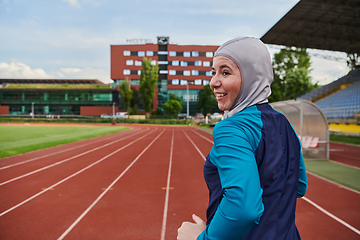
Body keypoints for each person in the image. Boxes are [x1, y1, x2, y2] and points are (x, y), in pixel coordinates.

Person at [177, 37, 307, 240]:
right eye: (214, 72)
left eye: (225, 72)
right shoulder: (285, 124)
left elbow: (244, 210)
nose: (213, 82)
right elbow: (298, 185)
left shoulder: (231, 128)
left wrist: (200, 239)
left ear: (252, 76)